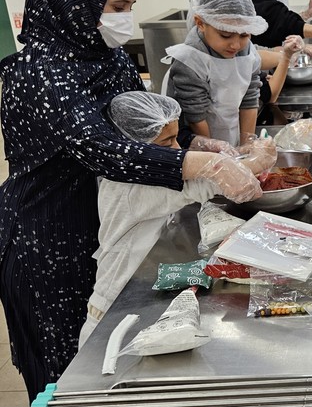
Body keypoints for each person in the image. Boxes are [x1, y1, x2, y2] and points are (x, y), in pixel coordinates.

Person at [0, 0, 264, 400]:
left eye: (130, 8)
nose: (124, 19)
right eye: (117, 8)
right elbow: (104, 150)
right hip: (48, 236)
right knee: (69, 373)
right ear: (76, 3)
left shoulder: (110, 57)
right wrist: (206, 165)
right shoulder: (38, 72)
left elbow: (146, 125)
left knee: (110, 353)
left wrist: (194, 142)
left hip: (107, 218)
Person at [78, 91, 277, 347]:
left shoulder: (136, 173)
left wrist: (234, 156)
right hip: (111, 314)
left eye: (176, 138)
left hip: (137, 303)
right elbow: (203, 183)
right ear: (135, 148)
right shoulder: (128, 186)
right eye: (166, 144)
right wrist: (257, 161)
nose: (177, 151)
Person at [165, 0, 303, 147]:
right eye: (225, 35)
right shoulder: (190, 60)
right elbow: (196, 117)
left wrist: (246, 145)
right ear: (200, 23)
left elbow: (249, 98)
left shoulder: (246, 51)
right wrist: (215, 153)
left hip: (231, 135)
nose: (236, 45)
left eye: (244, 35)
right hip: (196, 145)